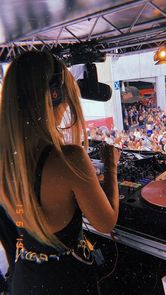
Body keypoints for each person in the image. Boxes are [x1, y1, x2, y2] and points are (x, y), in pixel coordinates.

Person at [0, 50, 120, 295]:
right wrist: (111, 166)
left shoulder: (4, 159)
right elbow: (106, 222)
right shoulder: (69, 159)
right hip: (63, 280)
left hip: (25, 278)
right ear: (53, 95)